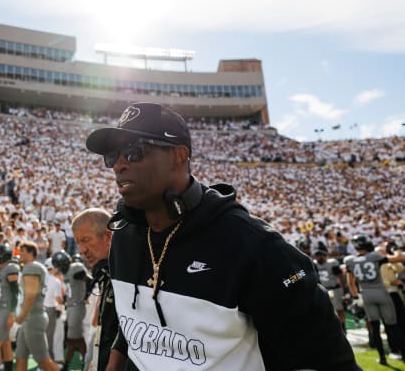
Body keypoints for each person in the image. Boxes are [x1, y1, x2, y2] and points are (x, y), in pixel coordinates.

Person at [84, 102, 358, 370]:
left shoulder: (252, 245)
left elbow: (326, 358)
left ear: (179, 156)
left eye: (133, 151)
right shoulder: (122, 234)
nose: (118, 165)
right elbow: (131, 322)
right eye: (112, 156)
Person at [71, 207, 125, 371]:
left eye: (86, 240)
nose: (81, 250)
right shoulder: (105, 274)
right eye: (78, 242)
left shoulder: (126, 277)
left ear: (108, 237)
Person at [345, 234, 405, 365]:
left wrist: (356, 297)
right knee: (393, 325)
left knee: (375, 327)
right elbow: (398, 258)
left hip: (365, 294)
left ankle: (382, 357)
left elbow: (350, 283)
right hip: (380, 291)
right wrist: (395, 248)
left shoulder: (349, 260)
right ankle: (402, 352)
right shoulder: (374, 256)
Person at [15, 241, 59, 371]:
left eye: (22, 251)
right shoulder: (35, 267)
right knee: (20, 357)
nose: (19, 254)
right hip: (32, 317)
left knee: (43, 360)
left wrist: (20, 317)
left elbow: (30, 296)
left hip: (32, 318)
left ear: (31, 253)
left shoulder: (31, 267)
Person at [52, 250, 89, 371]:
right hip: (71, 307)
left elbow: (89, 280)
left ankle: (82, 363)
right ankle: (78, 363)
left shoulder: (76, 267)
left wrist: (86, 295)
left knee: (74, 338)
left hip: (77, 306)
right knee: (74, 338)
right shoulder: (66, 272)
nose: (58, 268)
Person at [0, 243, 20, 371]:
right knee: (6, 342)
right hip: (0, 307)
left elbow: (15, 292)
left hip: (8, 307)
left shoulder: (11, 268)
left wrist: (11, 313)